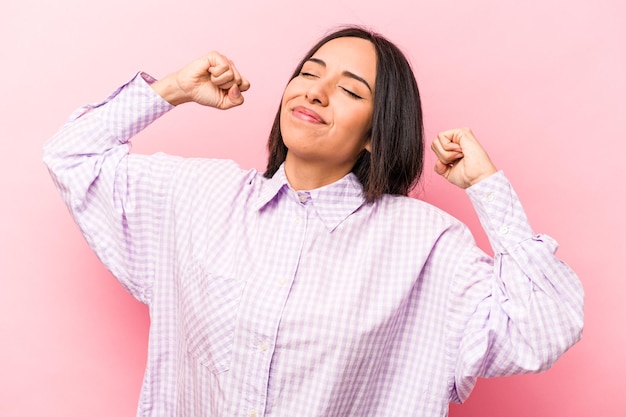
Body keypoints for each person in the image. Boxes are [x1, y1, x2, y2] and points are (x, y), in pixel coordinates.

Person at [43, 26, 584, 417]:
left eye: (350, 90)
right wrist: (174, 90)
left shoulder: (427, 245)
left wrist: (488, 190)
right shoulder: (198, 198)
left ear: (377, 132)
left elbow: (543, 327)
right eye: (307, 74)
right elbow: (71, 156)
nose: (315, 92)